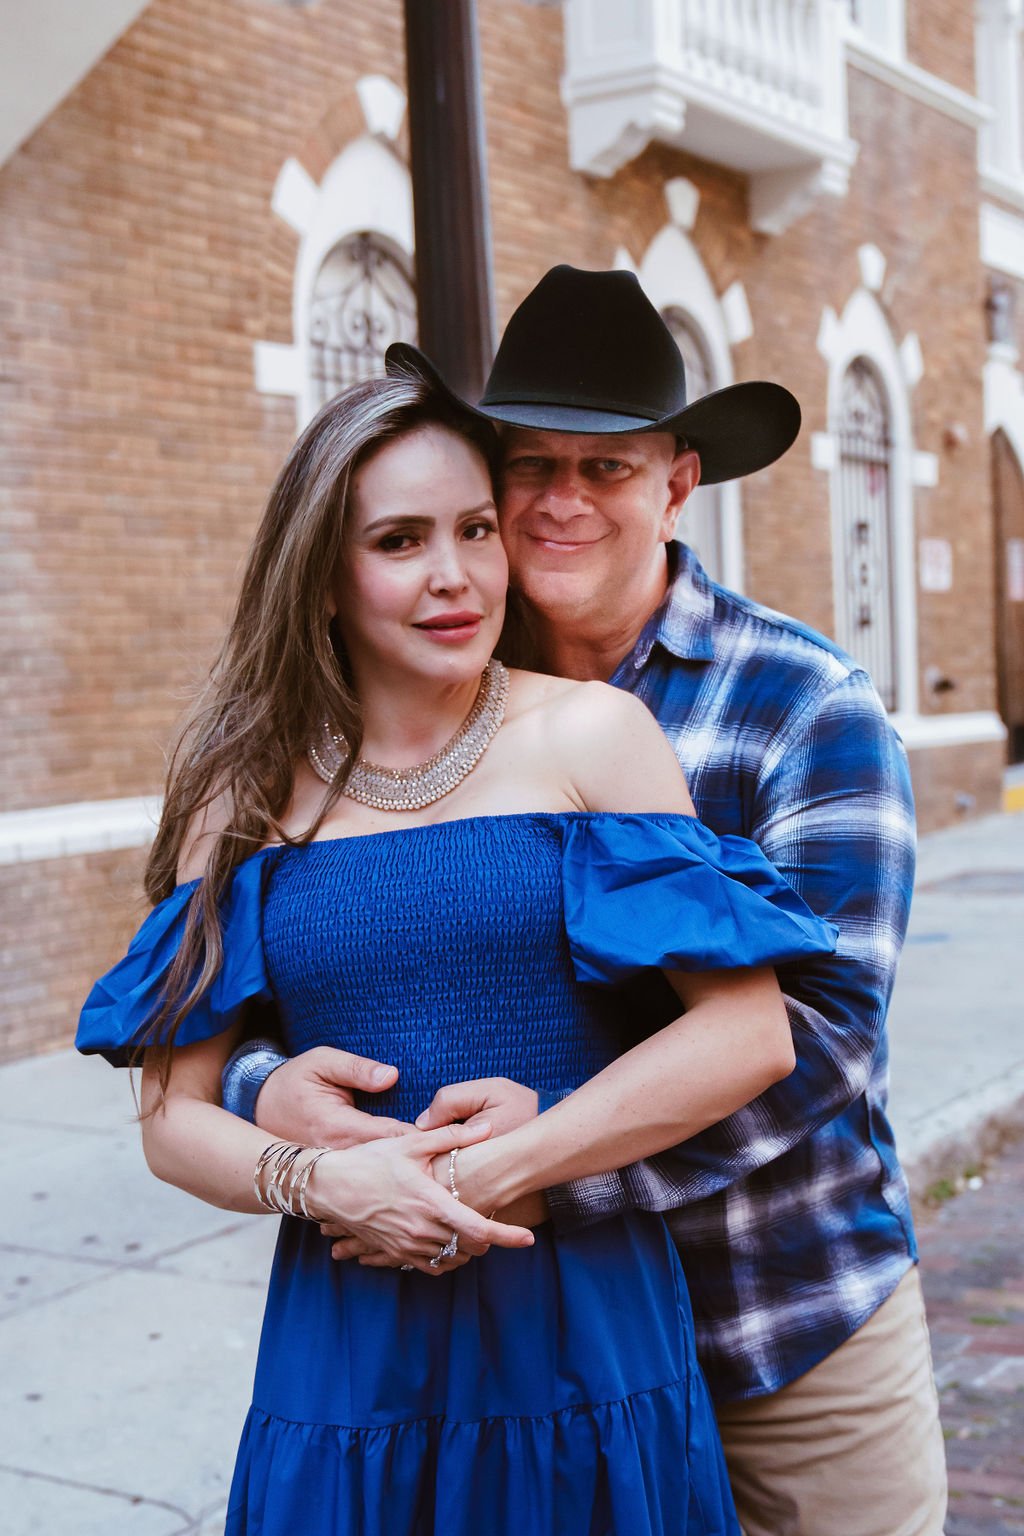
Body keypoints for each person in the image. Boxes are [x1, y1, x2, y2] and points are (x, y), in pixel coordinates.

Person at [223, 266, 949, 1536]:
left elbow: (819, 1038)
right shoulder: (423, 684)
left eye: (607, 468)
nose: (562, 500)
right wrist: (273, 1099)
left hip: (777, 1312)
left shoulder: (802, 705)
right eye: (529, 464)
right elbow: (297, 974)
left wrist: (531, 1176)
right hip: (513, 1343)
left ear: (676, 484)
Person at [77, 363, 839, 1536]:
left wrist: (500, 1168)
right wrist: (321, 1180)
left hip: (579, 1320)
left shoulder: (595, 732)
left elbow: (747, 1033)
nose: (456, 575)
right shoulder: (242, 789)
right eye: (399, 539)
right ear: (322, 574)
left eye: (476, 530)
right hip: (347, 1333)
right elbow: (173, 1118)